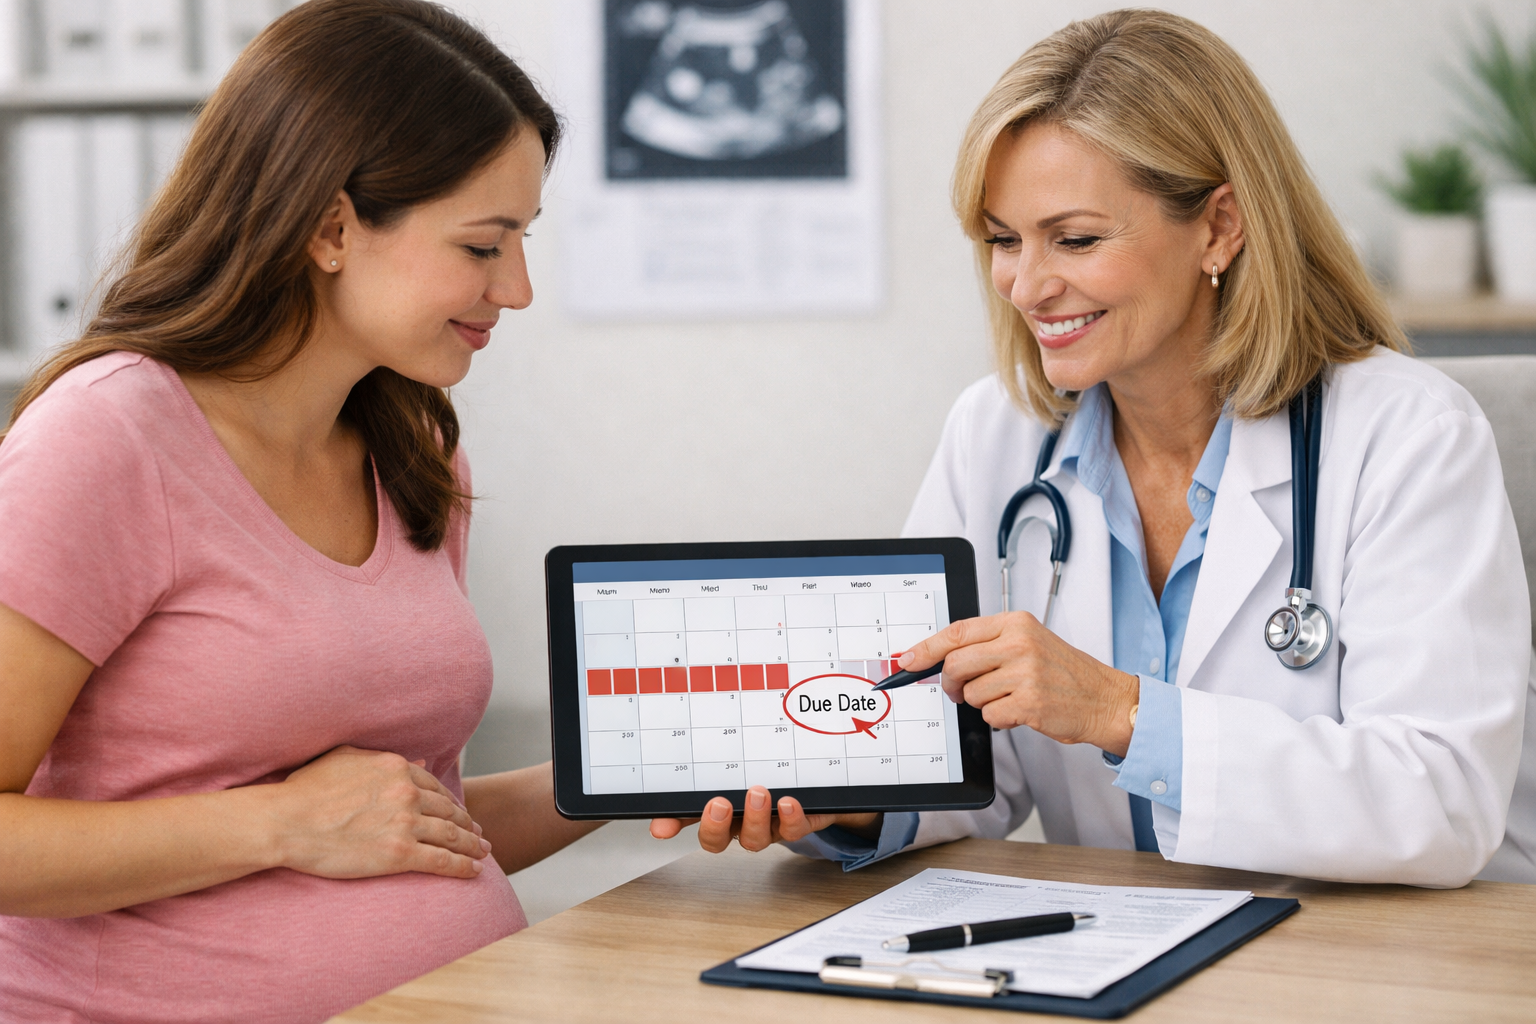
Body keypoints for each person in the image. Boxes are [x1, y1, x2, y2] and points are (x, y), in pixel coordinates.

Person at [653, 8, 1536, 887]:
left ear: (1220, 227)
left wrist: (1117, 709)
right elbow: (970, 762)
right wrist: (855, 800)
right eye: (1004, 240)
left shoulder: (1410, 436)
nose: (1027, 287)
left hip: (1397, 960)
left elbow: (1441, 804)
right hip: (1131, 952)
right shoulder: (996, 435)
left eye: (1074, 239)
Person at [0, 3, 604, 1021]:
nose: (520, 287)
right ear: (330, 227)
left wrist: (650, 775)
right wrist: (277, 824)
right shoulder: (107, 441)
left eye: (521, 241)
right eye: (483, 244)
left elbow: (411, 820)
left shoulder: (414, 450)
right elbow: (324, 825)